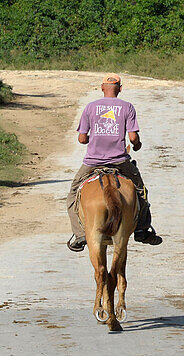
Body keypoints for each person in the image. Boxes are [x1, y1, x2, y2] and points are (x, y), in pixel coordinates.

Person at [66, 73, 162, 251]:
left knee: (73, 193)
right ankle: (141, 228)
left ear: (102, 88)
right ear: (120, 89)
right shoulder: (127, 107)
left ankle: (79, 234)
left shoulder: (90, 107)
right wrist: (137, 144)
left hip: (93, 162)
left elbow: (81, 139)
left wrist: (92, 139)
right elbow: (133, 138)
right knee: (140, 190)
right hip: (119, 161)